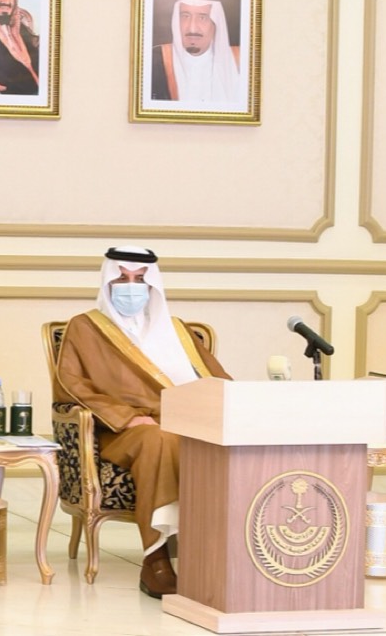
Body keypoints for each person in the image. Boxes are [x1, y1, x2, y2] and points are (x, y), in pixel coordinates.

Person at [54, 247, 231, 598]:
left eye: (139, 280)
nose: (131, 287)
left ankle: (217, 556)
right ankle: (156, 560)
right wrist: (126, 416)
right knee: (157, 439)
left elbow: (217, 380)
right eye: (122, 279)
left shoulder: (178, 331)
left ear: (153, 287)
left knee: (219, 444)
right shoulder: (85, 328)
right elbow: (72, 386)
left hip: (185, 422)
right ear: (108, 282)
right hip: (123, 431)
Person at [149, 0, 242, 103]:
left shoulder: (239, 60)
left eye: (202, 17)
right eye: (185, 16)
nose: (192, 28)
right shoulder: (155, 59)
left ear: (216, 23)